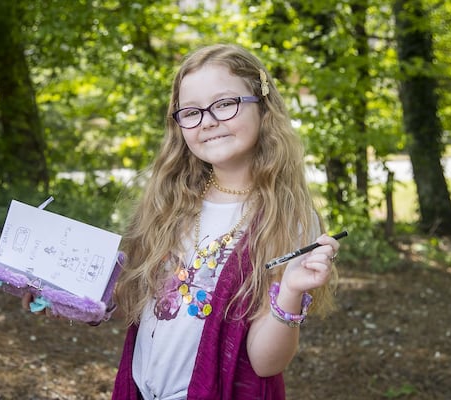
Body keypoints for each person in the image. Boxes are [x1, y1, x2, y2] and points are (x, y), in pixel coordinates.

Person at [25, 43, 340, 399]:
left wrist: (292, 291)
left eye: (224, 104)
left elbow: (266, 364)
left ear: (263, 107)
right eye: (191, 112)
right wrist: (65, 294)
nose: (208, 121)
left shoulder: (288, 220)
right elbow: (135, 302)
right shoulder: (170, 203)